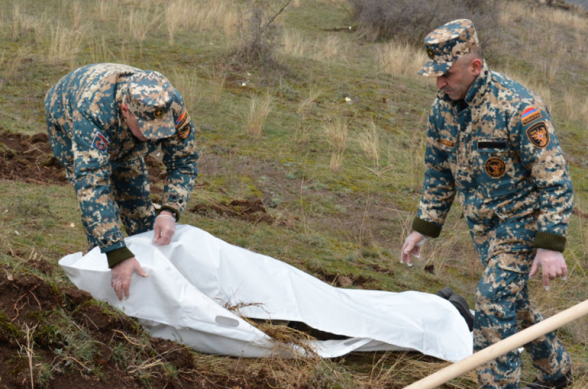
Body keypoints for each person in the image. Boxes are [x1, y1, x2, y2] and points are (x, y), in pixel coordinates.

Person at [400, 20, 573, 389]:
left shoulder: (518, 107)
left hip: (522, 220)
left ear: (475, 67)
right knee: (514, 303)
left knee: (493, 303)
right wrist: (423, 226)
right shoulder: (443, 107)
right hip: (483, 226)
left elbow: (554, 178)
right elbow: (438, 170)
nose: (440, 83)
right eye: (435, 75)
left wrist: (549, 244)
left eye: (446, 73)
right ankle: (557, 372)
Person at [45, 63, 198, 301]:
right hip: (66, 112)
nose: (154, 136)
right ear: (126, 110)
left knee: (141, 213)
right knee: (103, 234)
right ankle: (102, 288)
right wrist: (116, 253)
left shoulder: (171, 105)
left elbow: (184, 162)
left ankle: (150, 284)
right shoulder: (93, 112)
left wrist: (169, 210)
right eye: (147, 128)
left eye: (160, 130)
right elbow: (93, 184)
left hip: (121, 132)